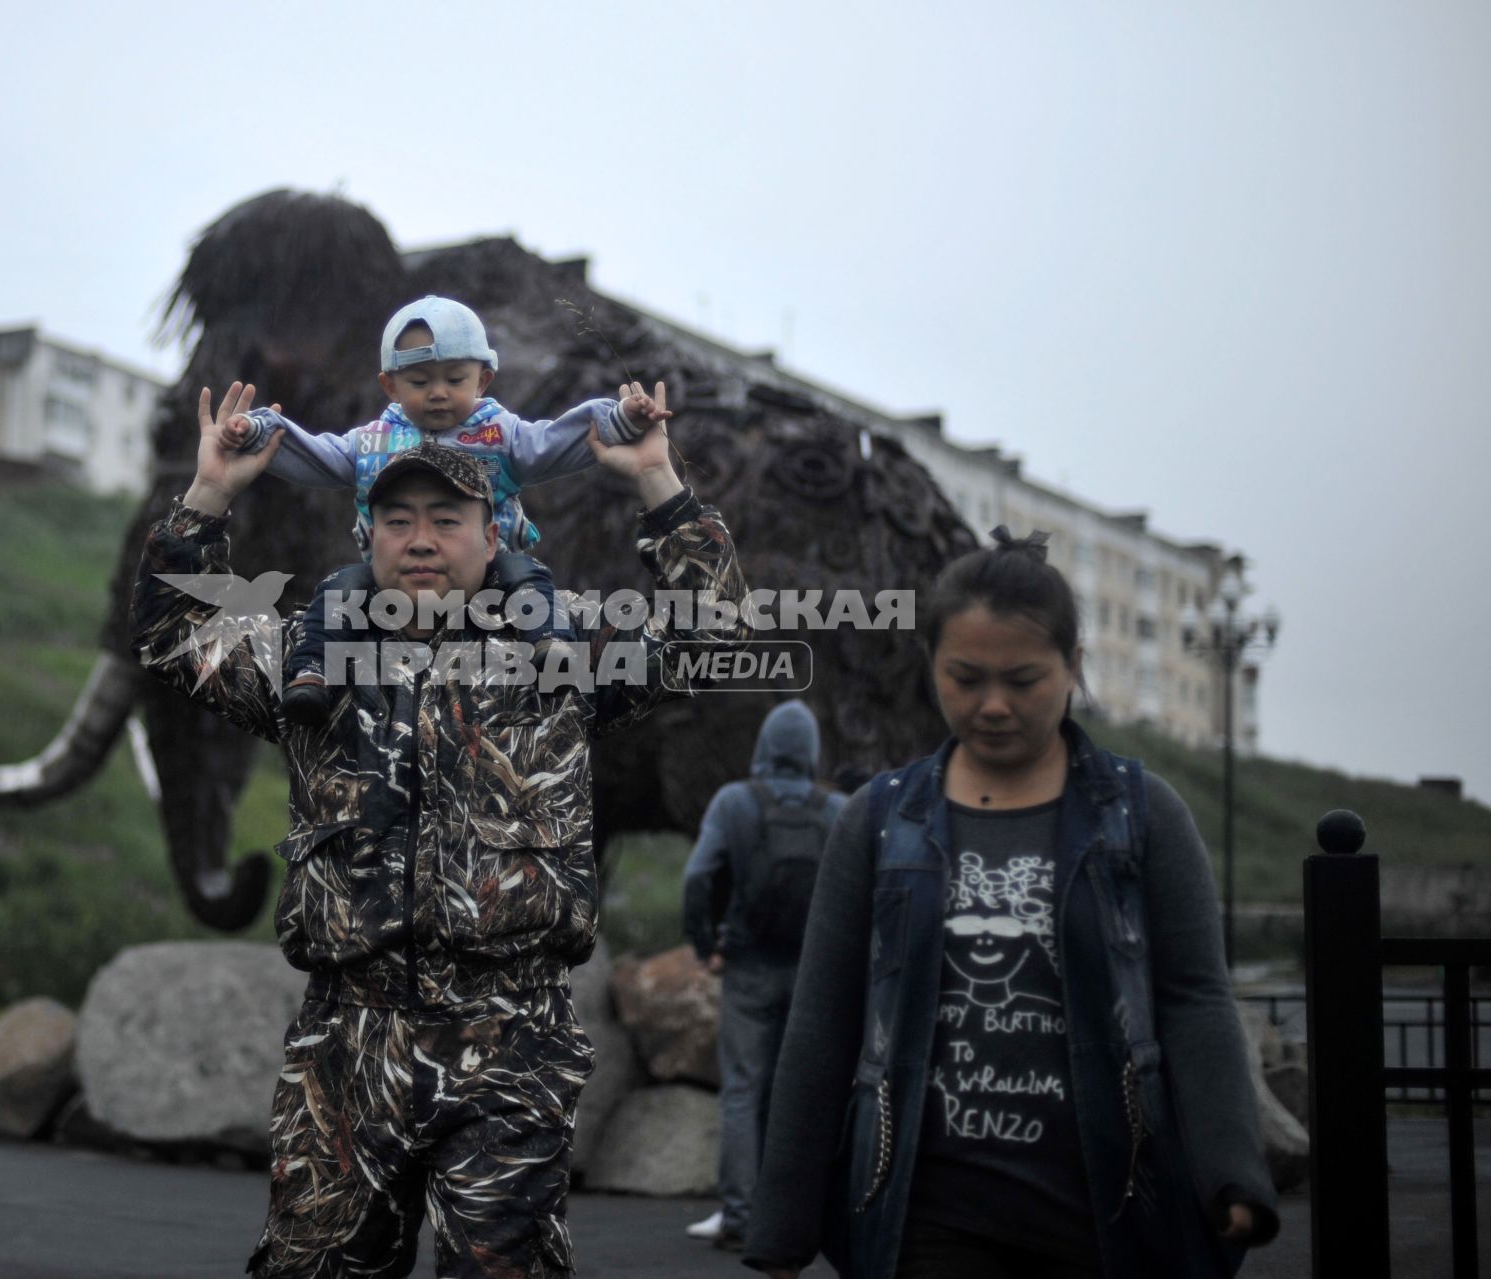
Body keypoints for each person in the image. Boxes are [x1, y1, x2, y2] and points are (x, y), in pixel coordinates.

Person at [132, 380, 748, 1278]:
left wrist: (658, 479)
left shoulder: (561, 653)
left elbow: (712, 628)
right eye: (397, 520)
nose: (420, 539)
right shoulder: (311, 658)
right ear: (366, 536)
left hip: (510, 1042)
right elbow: (168, 629)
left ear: (494, 533)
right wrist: (211, 492)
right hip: (348, 1044)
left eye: (447, 518)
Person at [742, 527, 1279, 1279]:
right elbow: (823, 1017)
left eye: (1022, 680)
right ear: (932, 664)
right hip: (926, 1219)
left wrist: (1233, 1168)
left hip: (1109, 1211)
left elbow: (1196, 999)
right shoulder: (879, 819)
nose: (993, 704)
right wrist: (782, 1223)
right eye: (965, 676)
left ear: (1073, 668)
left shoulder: (1143, 814)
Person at [221, 294, 669, 724]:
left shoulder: (498, 434)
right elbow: (319, 454)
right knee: (339, 589)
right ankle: (311, 671)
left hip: (497, 571)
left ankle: (549, 645)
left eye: (454, 380)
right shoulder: (374, 441)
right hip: (384, 589)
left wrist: (619, 422)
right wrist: (259, 434)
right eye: (419, 382)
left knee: (528, 579)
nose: (437, 393)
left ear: (483, 379)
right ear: (390, 385)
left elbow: (553, 441)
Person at [680, 700, 846, 1250]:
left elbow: (698, 879)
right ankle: (798, 1216)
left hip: (748, 967)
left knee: (741, 1091)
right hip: (813, 973)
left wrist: (706, 947)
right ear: (812, 751)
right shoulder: (838, 809)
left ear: (764, 745)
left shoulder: (734, 802)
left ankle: (739, 1216)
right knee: (801, 1094)